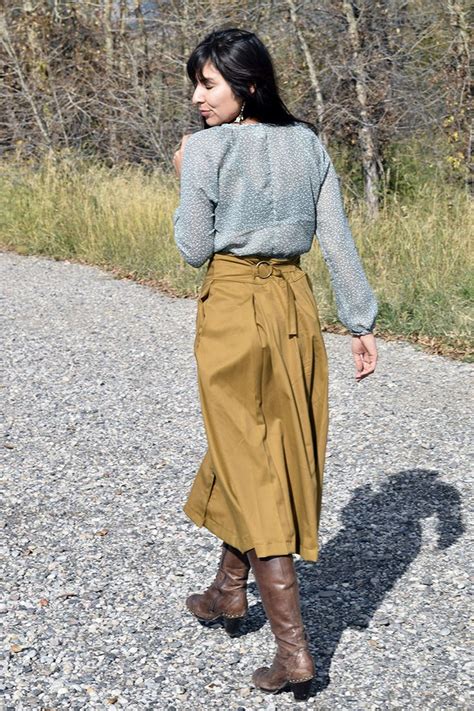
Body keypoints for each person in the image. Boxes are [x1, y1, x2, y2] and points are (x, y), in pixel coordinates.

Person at [172, 28, 378, 701]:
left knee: (253, 458)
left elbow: (193, 248)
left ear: (247, 83)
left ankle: (294, 651)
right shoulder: (308, 143)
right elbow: (338, 239)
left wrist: (184, 176)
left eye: (209, 83)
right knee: (258, 449)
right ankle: (228, 591)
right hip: (293, 305)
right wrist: (360, 322)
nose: (199, 98)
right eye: (197, 85)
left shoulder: (204, 151)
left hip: (233, 304)